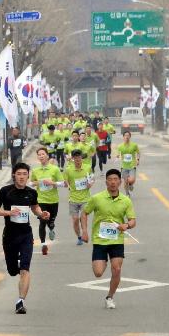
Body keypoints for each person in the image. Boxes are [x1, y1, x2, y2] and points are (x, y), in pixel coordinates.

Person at [0, 162, 50, 314]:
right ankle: (15, 265)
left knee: (25, 269)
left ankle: (20, 301)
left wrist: (41, 214)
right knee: (12, 271)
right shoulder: (5, 191)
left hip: (26, 234)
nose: (22, 177)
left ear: (28, 176)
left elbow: (35, 207)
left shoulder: (31, 192)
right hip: (10, 236)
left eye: (25, 174)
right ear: (14, 175)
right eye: (19, 174)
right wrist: (8, 213)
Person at [81, 168, 137, 309]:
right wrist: (85, 232)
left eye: (115, 179)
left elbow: (132, 220)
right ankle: (103, 261)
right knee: (98, 273)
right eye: (110, 179)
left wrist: (126, 225)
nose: (113, 182)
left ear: (120, 181)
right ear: (106, 181)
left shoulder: (125, 201)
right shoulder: (97, 198)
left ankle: (110, 297)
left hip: (116, 240)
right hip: (100, 240)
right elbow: (84, 213)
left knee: (117, 269)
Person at [30, 147, 63, 255]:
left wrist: (52, 183)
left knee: (50, 222)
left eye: (43, 154)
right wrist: (37, 183)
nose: (41, 156)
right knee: (42, 222)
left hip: (53, 200)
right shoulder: (35, 170)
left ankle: (52, 228)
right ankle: (43, 244)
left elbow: (63, 183)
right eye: (39, 154)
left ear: (47, 155)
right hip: (41, 200)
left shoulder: (55, 169)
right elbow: (31, 183)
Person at [64, 149, 94, 245]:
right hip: (73, 198)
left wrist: (90, 184)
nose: (77, 159)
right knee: (76, 219)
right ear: (72, 159)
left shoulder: (88, 168)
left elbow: (92, 178)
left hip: (85, 198)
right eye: (75, 157)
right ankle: (79, 236)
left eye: (79, 157)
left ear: (82, 157)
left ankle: (85, 232)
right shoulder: (68, 170)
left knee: (83, 217)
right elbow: (65, 182)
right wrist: (66, 184)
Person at [117, 131, 140, 196]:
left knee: (131, 180)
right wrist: (117, 156)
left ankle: (131, 184)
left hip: (132, 165)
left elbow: (138, 153)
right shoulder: (120, 146)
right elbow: (118, 154)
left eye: (128, 135)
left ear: (130, 136)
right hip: (124, 166)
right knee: (125, 181)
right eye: (125, 135)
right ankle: (127, 193)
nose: (127, 137)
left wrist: (138, 160)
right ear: (123, 137)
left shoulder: (134, 145)